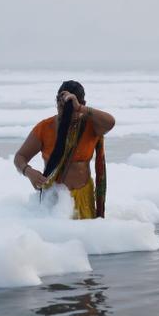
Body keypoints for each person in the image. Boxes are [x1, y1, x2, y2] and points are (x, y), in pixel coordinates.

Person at [14, 80, 115, 219]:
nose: (65, 114)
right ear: (57, 103)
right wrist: (28, 171)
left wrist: (80, 109)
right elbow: (20, 156)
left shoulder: (92, 125)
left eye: (70, 109)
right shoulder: (45, 128)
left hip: (83, 196)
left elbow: (111, 122)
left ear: (82, 104)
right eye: (61, 108)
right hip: (55, 200)